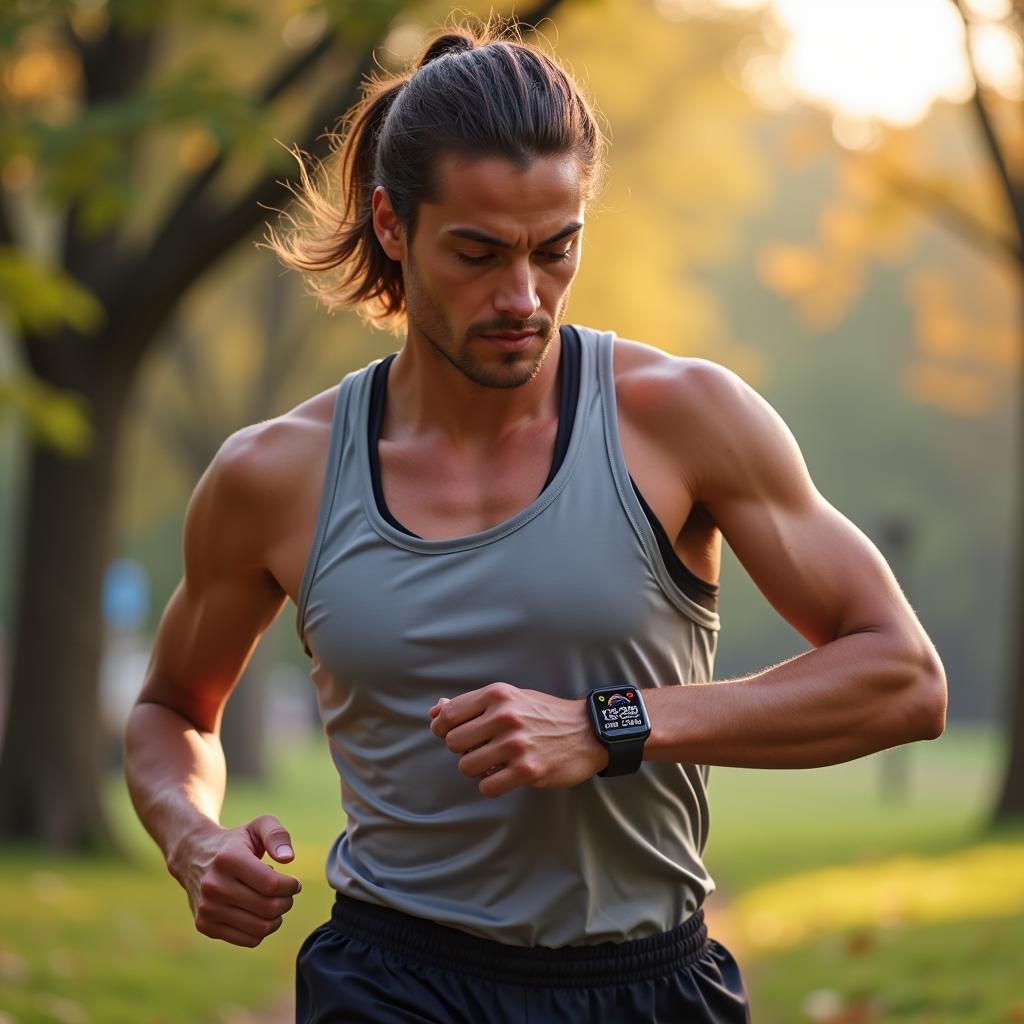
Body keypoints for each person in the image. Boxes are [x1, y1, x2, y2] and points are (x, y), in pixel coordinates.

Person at [124, 18, 948, 1024]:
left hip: (645, 984)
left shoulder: (684, 419)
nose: (524, 297)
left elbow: (901, 678)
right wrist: (189, 836)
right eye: (477, 253)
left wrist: (611, 725)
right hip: (389, 981)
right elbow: (170, 708)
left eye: (556, 250)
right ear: (393, 225)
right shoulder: (274, 474)